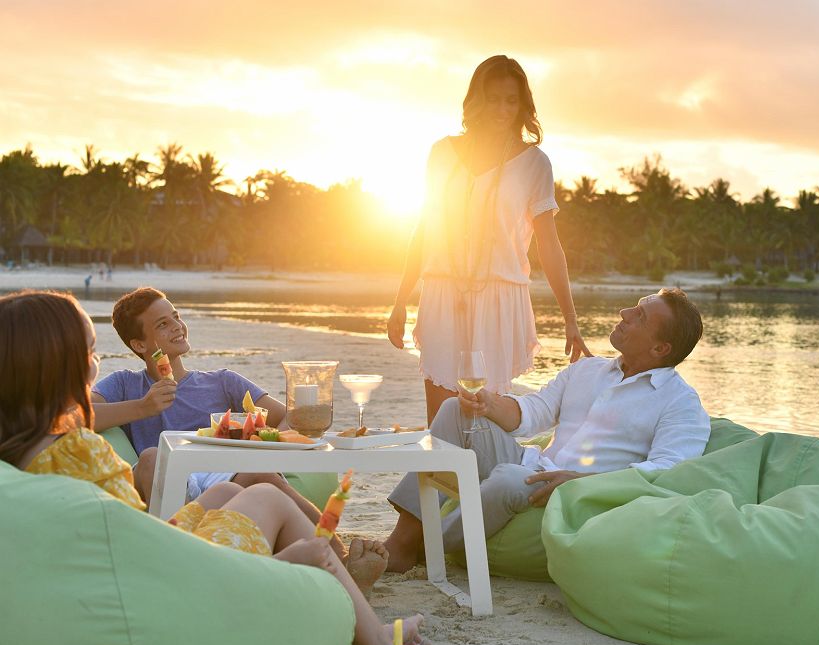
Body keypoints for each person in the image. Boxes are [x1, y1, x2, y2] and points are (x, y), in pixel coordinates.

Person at [0, 290, 433, 645]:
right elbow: (142, 549)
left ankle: (341, 577)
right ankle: (376, 639)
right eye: (89, 352)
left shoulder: (27, 451)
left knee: (231, 488)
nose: (94, 363)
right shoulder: (87, 445)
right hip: (167, 582)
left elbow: (128, 535)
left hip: (145, 556)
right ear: (56, 366)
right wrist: (282, 564)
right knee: (293, 528)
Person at [385, 288, 711, 572]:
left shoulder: (681, 403)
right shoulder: (587, 369)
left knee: (508, 478)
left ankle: (429, 548)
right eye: (634, 306)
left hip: (576, 491)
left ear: (660, 349)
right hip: (535, 465)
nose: (624, 313)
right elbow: (535, 411)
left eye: (639, 316)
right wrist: (488, 403)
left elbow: (666, 472)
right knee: (455, 410)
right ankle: (400, 542)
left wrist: (583, 481)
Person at [90, 287, 387, 587]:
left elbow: (288, 417)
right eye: (162, 324)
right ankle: (177, 560)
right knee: (151, 456)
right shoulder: (126, 384)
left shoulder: (222, 381)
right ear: (139, 344)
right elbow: (80, 414)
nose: (177, 326)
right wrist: (144, 406)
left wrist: (262, 441)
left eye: (176, 317)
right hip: (169, 479)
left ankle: (342, 558)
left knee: (260, 472)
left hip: (227, 476)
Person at [387, 54, 591, 425]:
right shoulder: (442, 152)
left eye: (511, 100)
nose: (502, 108)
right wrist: (400, 301)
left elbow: (549, 244)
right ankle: (442, 481)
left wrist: (571, 320)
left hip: (499, 298)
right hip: (442, 292)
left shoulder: (534, 164)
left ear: (522, 105)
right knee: (441, 422)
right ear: (477, 100)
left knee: (483, 422)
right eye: (494, 98)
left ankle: (481, 484)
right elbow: (423, 229)